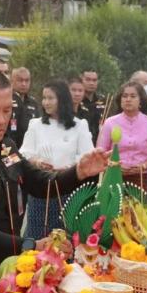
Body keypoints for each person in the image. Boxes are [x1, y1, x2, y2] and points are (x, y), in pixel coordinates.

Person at [0, 69, 108, 277]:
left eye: (7, 111)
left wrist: (78, 172)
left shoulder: (5, 145)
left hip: (7, 268)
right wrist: (30, 244)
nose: (0, 120)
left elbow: (39, 183)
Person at [20, 79, 93, 239]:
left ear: (62, 99)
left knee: (66, 237)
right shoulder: (35, 125)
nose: (46, 102)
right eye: (44, 98)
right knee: (38, 236)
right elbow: (25, 154)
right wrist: (38, 162)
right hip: (41, 189)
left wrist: (68, 168)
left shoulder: (79, 126)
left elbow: (87, 156)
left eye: (51, 98)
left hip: (68, 189)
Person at [97, 82, 147, 191]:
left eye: (133, 96)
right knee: (113, 207)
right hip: (113, 175)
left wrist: (144, 166)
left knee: (137, 208)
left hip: (140, 177)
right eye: (124, 96)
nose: (128, 99)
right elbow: (101, 152)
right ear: (120, 100)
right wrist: (112, 164)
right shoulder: (110, 122)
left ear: (141, 100)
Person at [9, 67, 40, 147]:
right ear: (12, 81)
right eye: (20, 80)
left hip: (29, 149)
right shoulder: (7, 100)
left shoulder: (33, 103)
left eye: (27, 80)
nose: (24, 84)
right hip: (9, 148)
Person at [77, 69, 108, 140]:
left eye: (94, 80)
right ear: (81, 80)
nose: (91, 83)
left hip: (100, 143)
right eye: (88, 80)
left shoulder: (104, 101)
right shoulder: (76, 101)